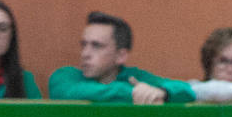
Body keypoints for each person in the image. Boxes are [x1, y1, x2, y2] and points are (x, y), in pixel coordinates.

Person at [49, 11, 194, 104]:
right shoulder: (65, 76)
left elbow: (187, 91)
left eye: (96, 46)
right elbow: (70, 92)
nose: (85, 54)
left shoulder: (133, 77)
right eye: (84, 45)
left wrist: (164, 93)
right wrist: (134, 93)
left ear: (120, 55)